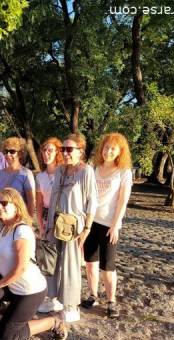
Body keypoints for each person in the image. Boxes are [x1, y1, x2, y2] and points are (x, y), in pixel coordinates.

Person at [0, 188, 67, 340]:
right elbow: (1, 259)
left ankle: (53, 321)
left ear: (16, 206)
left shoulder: (22, 230)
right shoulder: (4, 228)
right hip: (11, 287)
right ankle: (16, 315)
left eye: (4, 203)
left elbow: (21, 267)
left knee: (6, 337)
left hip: (30, 291)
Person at [46, 133, 98, 323]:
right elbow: (53, 198)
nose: (65, 153)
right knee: (51, 262)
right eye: (63, 149)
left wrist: (86, 229)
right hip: (55, 223)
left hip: (73, 226)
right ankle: (53, 299)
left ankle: (71, 306)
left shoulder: (86, 171)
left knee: (70, 265)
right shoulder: (60, 170)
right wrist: (48, 224)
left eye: (69, 149)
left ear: (80, 152)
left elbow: (92, 201)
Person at [80, 133, 132, 318]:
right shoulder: (94, 168)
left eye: (113, 148)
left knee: (108, 266)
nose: (108, 151)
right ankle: (93, 295)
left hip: (109, 225)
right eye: (106, 147)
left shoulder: (124, 172)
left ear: (120, 152)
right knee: (90, 263)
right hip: (91, 222)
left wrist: (116, 225)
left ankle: (111, 301)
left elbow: (122, 201)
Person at [35, 137, 64, 314]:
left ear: (58, 152)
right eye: (44, 150)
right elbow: (38, 202)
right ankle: (50, 295)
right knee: (47, 258)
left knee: (62, 259)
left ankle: (61, 297)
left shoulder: (64, 173)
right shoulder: (40, 176)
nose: (47, 154)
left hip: (61, 220)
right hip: (46, 219)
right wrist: (41, 224)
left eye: (51, 150)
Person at [0, 137, 36, 217]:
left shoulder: (26, 173)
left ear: (20, 153)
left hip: (19, 219)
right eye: (6, 151)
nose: (8, 154)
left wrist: (28, 222)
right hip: (2, 220)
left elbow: (31, 201)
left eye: (12, 151)